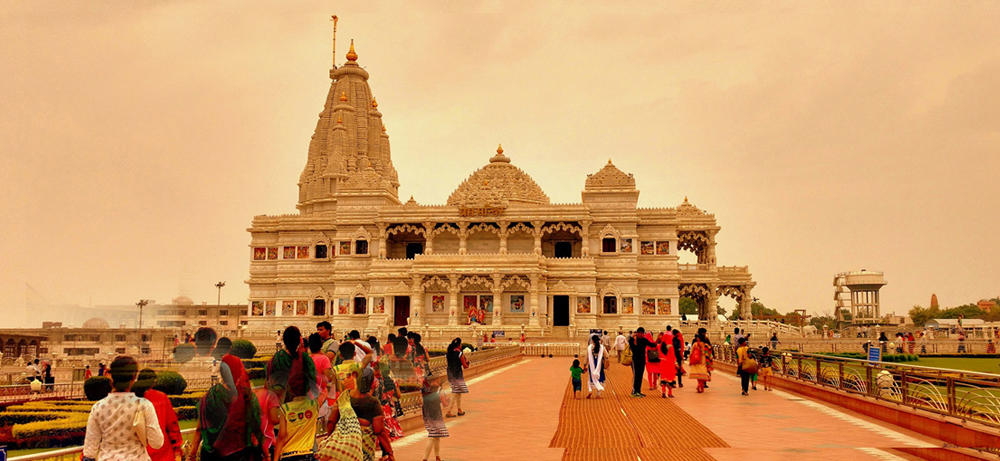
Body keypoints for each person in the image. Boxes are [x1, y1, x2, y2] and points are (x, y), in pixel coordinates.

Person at [189, 328, 264, 461]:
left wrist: (191, 454)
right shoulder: (247, 396)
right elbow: (257, 428)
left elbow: (200, 429)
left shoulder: (211, 395)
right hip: (239, 454)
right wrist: (267, 455)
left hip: (212, 454)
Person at [82, 356, 164, 461]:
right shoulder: (144, 405)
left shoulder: (98, 407)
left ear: (111, 376)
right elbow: (157, 443)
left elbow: (90, 451)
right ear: (134, 376)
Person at [133, 369, 183, 461]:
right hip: (161, 451)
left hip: (137, 451)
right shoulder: (161, 397)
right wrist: (176, 446)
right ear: (154, 382)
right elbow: (172, 424)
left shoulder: (131, 399)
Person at [420, 373, 448, 461]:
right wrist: (448, 399)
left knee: (436, 435)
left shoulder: (425, 390)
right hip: (436, 413)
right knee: (433, 436)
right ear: (435, 380)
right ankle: (425, 459)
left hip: (427, 413)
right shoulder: (439, 390)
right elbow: (445, 404)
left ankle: (437, 457)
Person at [254, 382, 281, 460]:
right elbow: (274, 419)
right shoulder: (270, 395)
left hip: (249, 444)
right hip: (267, 443)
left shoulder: (246, 396)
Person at [444, 338, 469, 418]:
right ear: (458, 345)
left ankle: (459, 409)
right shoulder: (460, 353)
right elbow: (465, 366)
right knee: (455, 392)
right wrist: (467, 362)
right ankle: (449, 411)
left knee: (458, 391)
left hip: (450, 373)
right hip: (457, 373)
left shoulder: (449, 353)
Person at [627, 328, 654, 397]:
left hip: (642, 360)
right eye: (640, 333)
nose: (641, 334)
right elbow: (630, 343)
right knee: (636, 376)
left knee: (640, 376)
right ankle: (634, 391)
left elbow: (652, 345)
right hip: (635, 360)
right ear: (637, 333)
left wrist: (659, 340)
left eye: (642, 333)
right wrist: (633, 336)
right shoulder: (633, 340)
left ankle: (638, 391)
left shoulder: (644, 340)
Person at [653, 332, 677, 398]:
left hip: (663, 363)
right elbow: (673, 356)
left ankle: (663, 391)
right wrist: (676, 363)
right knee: (670, 378)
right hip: (670, 364)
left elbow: (655, 348)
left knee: (664, 377)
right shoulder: (670, 346)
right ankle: (670, 393)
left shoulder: (660, 346)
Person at [585, 334, 606, 399]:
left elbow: (586, 358)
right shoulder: (602, 348)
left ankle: (590, 390)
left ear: (592, 340)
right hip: (599, 365)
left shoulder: (589, 348)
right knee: (599, 378)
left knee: (591, 378)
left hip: (591, 365)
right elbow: (607, 356)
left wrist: (584, 365)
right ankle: (598, 394)